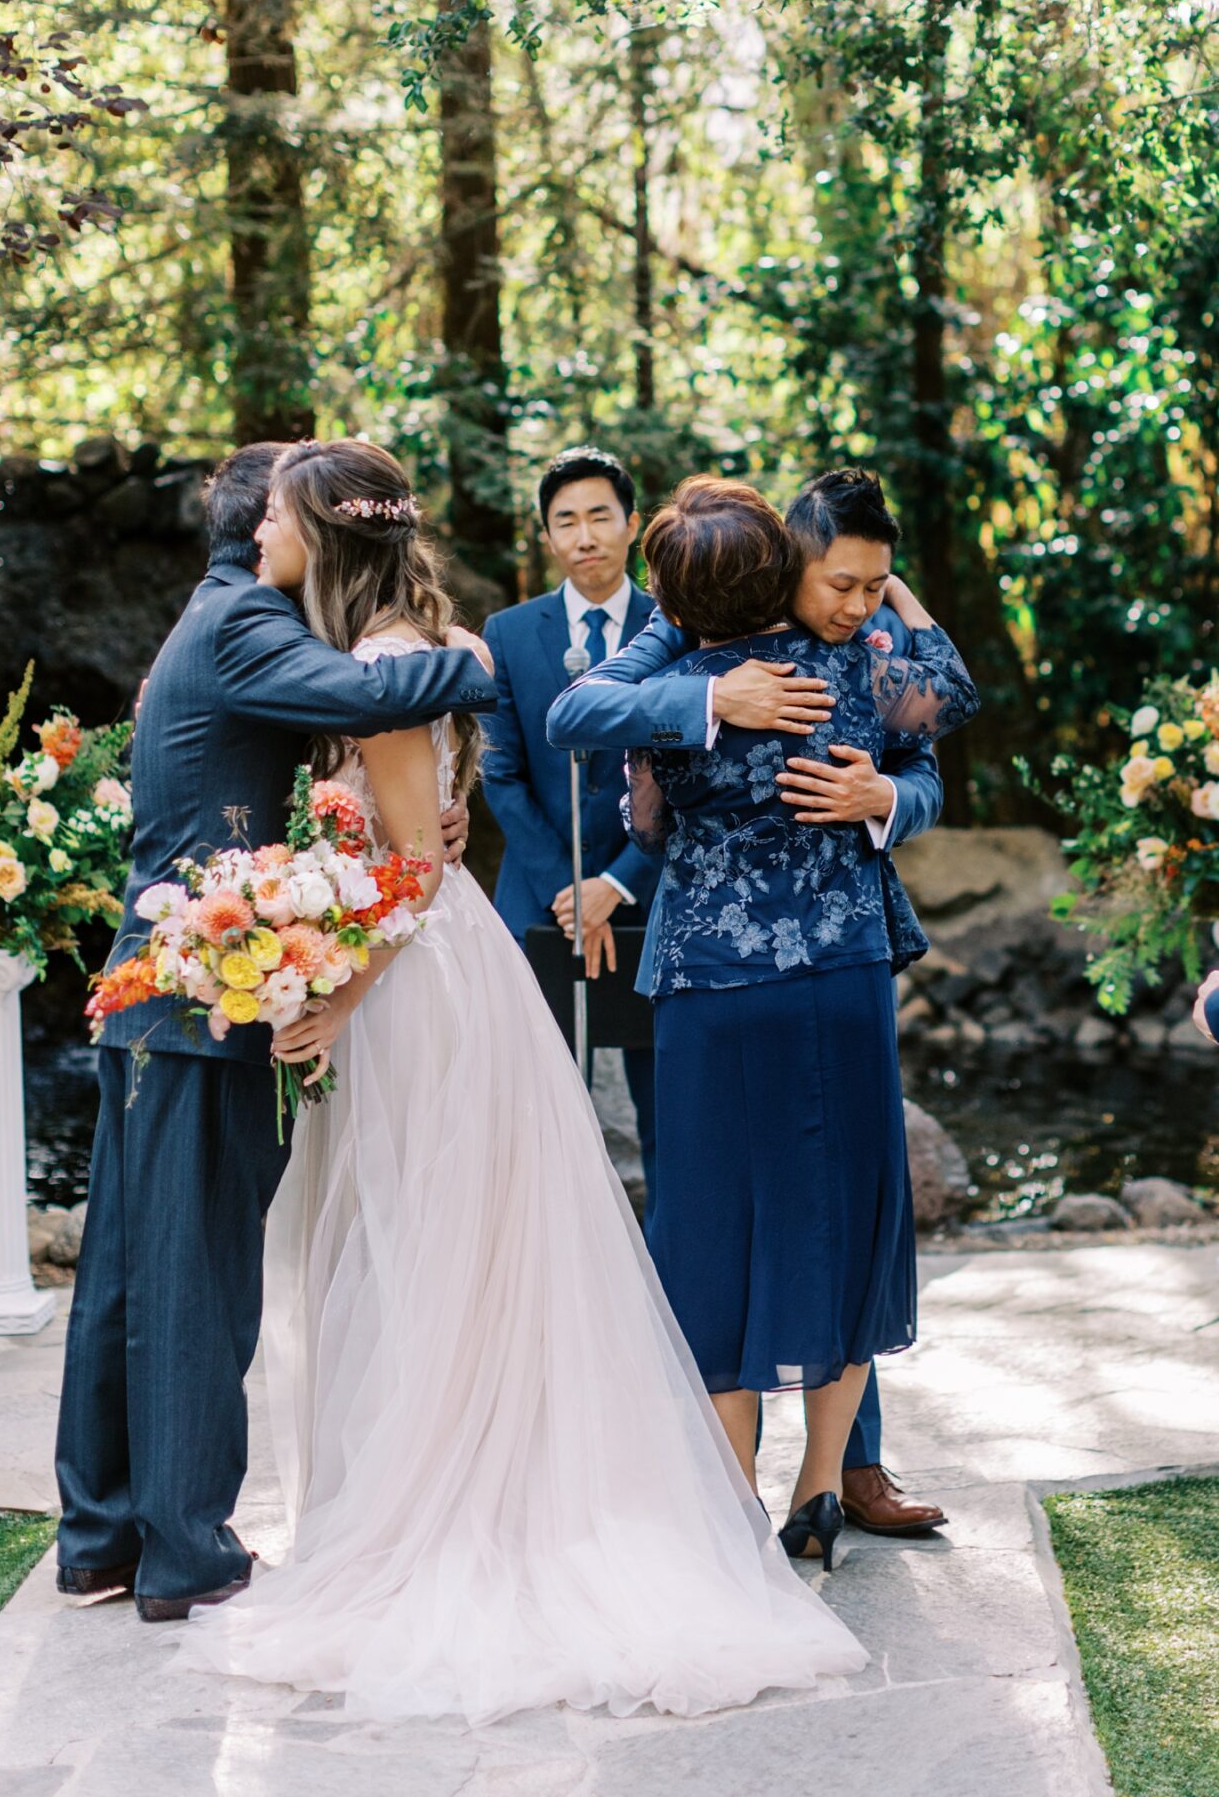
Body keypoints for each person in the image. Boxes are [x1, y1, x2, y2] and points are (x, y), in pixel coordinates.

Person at [177, 438, 869, 1722]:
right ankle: (426, 1490)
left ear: (325, 540)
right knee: (442, 1254)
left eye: (280, 519)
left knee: (425, 1256)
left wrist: (332, 995)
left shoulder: (384, 663)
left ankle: (439, 1511)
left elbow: (415, 869)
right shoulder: (413, 642)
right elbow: (435, 823)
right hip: (443, 972)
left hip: (415, 990)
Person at [54, 441, 497, 1623]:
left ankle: (101, 1534)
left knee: (125, 1275)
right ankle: (187, 1551)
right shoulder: (249, 618)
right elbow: (371, 697)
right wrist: (478, 657)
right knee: (194, 1273)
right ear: (270, 523)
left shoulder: (214, 617)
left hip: (160, 994)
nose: (273, 544)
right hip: (202, 998)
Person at [550, 474, 979, 1567]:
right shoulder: (861, 672)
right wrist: (904, 622)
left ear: (679, 594)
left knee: (713, 1228)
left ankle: (725, 1496)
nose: (862, 599)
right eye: (848, 581)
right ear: (786, 564)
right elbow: (950, 699)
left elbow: (626, 789)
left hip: (710, 982)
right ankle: (819, 1484)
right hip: (838, 972)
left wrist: (884, 797)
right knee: (845, 1217)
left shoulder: (677, 674)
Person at [480, 446, 660, 1207]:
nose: (583, 535)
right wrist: (568, 888)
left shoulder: (675, 625)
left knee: (665, 1095)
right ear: (546, 536)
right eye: (565, 521)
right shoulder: (509, 632)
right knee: (537, 1097)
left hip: (649, 894)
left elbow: (687, 782)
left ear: (632, 525)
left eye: (598, 516)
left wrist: (615, 883)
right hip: (539, 898)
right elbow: (500, 771)